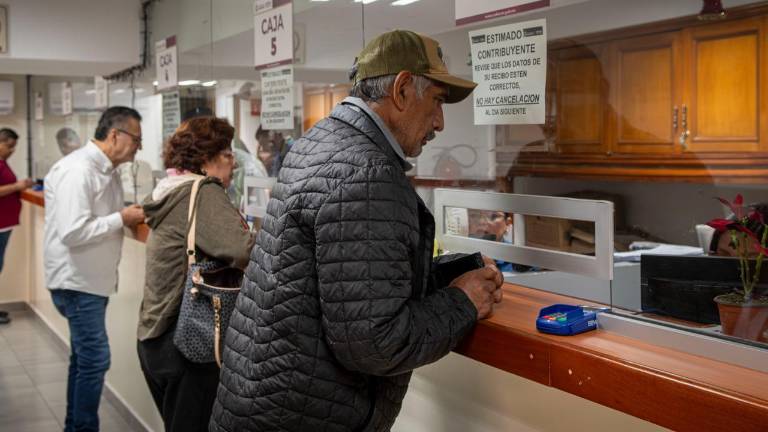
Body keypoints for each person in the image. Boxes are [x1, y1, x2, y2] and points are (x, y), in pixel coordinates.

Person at [211, 30, 504, 432]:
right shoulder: (367, 172)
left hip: (263, 402)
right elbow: (377, 342)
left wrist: (452, 272)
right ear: (402, 89)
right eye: (437, 101)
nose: (439, 122)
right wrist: (463, 301)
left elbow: (351, 281)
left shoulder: (320, 142)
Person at [136, 117, 255, 432]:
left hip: (154, 337)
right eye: (227, 153)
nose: (232, 162)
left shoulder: (169, 189)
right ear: (206, 158)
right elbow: (243, 250)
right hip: (188, 340)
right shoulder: (202, 190)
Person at [44, 106, 146, 432]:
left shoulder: (107, 170)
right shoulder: (78, 171)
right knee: (95, 359)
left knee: (83, 359)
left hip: (91, 282)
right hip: (77, 283)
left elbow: (100, 217)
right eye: (136, 139)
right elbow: (72, 231)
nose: (139, 147)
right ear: (115, 135)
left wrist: (126, 217)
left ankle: (74, 426)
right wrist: (121, 218)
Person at [0, 128, 34, 325]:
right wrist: (18, 186)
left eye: (14, 147)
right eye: (9, 146)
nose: (12, 151)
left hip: (4, 224)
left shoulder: (3, 162)